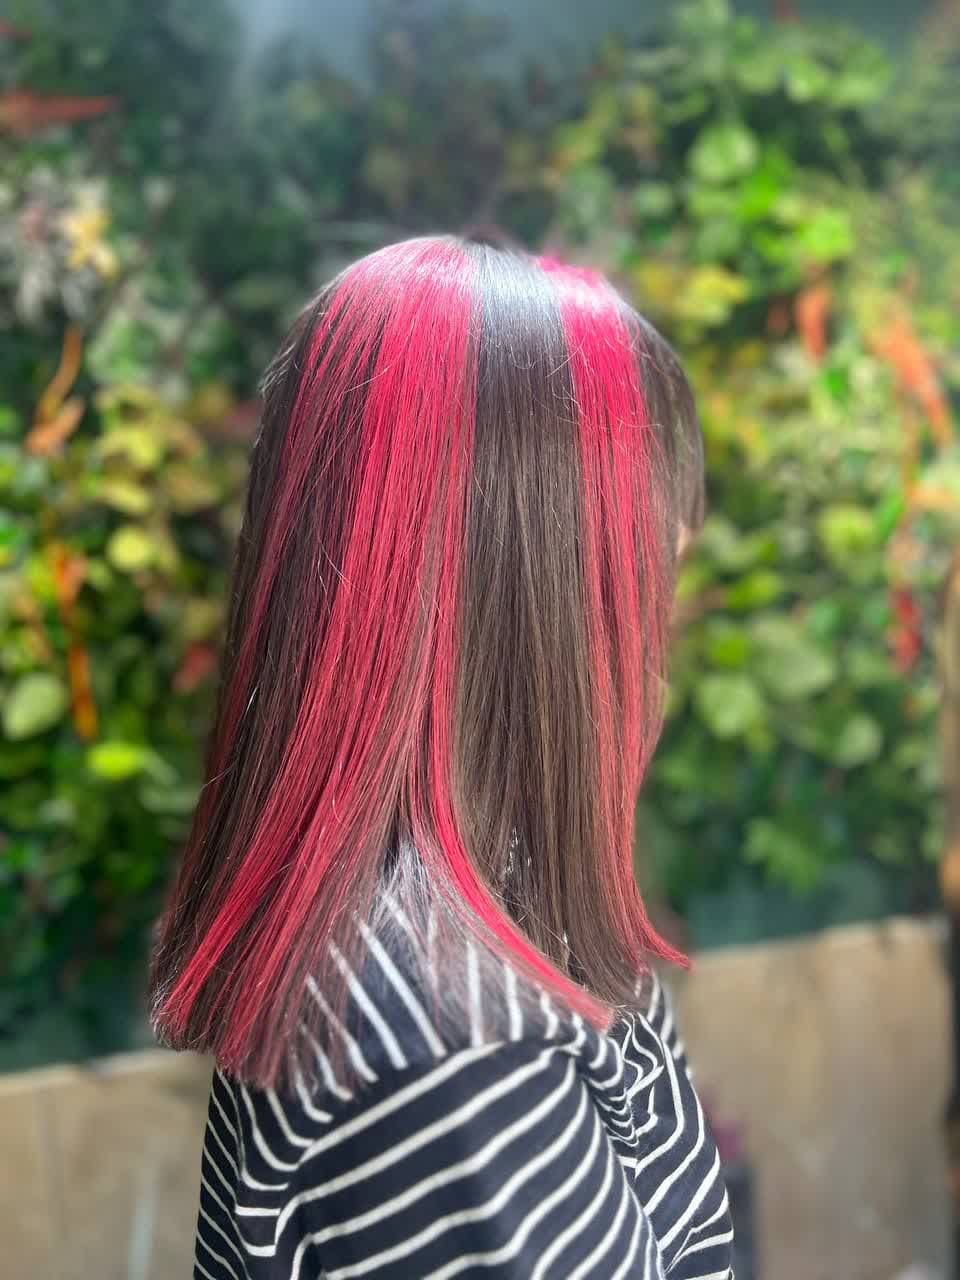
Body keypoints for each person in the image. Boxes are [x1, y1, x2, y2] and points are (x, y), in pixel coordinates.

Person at [150, 235, 734, 1279]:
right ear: (547, 606)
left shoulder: (467, 943)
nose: (657, 664)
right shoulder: (454, 1038)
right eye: (652, 595)